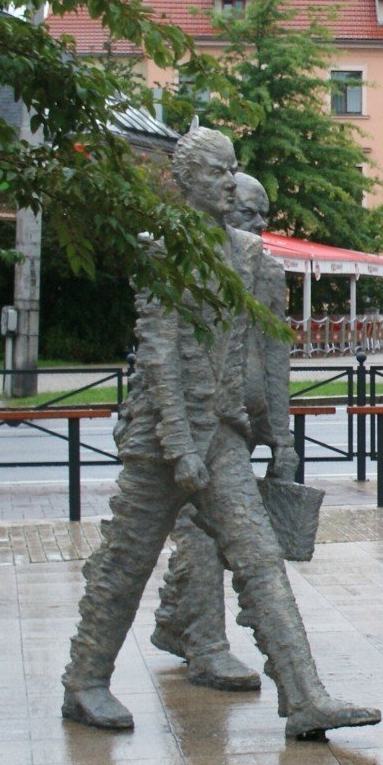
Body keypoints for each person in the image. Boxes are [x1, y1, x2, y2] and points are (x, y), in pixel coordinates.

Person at [62, 127, 380, 742]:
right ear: (184, 181)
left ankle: (305, 695)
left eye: (232, 171)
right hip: (163, 442)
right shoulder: (165, 250)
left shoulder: (247, 253)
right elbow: (158, 356)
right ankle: (85, 681)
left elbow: (260, 352)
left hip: (223, 436)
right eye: (216, 173)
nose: (230, 183)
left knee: (261, 561)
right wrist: (180, 446)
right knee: (125, 564)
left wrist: (264, 433)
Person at [148, 172, 291, 693]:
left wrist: (282, 435)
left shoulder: (264, 271)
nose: (258, 222)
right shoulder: (187, 262)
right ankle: (206, 644)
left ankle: (173, 624)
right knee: (200, 533)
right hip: (196, 418)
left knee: (211, 530)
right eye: (247, 212)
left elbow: (277, 353)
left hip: (242, 416)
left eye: (263, 213)